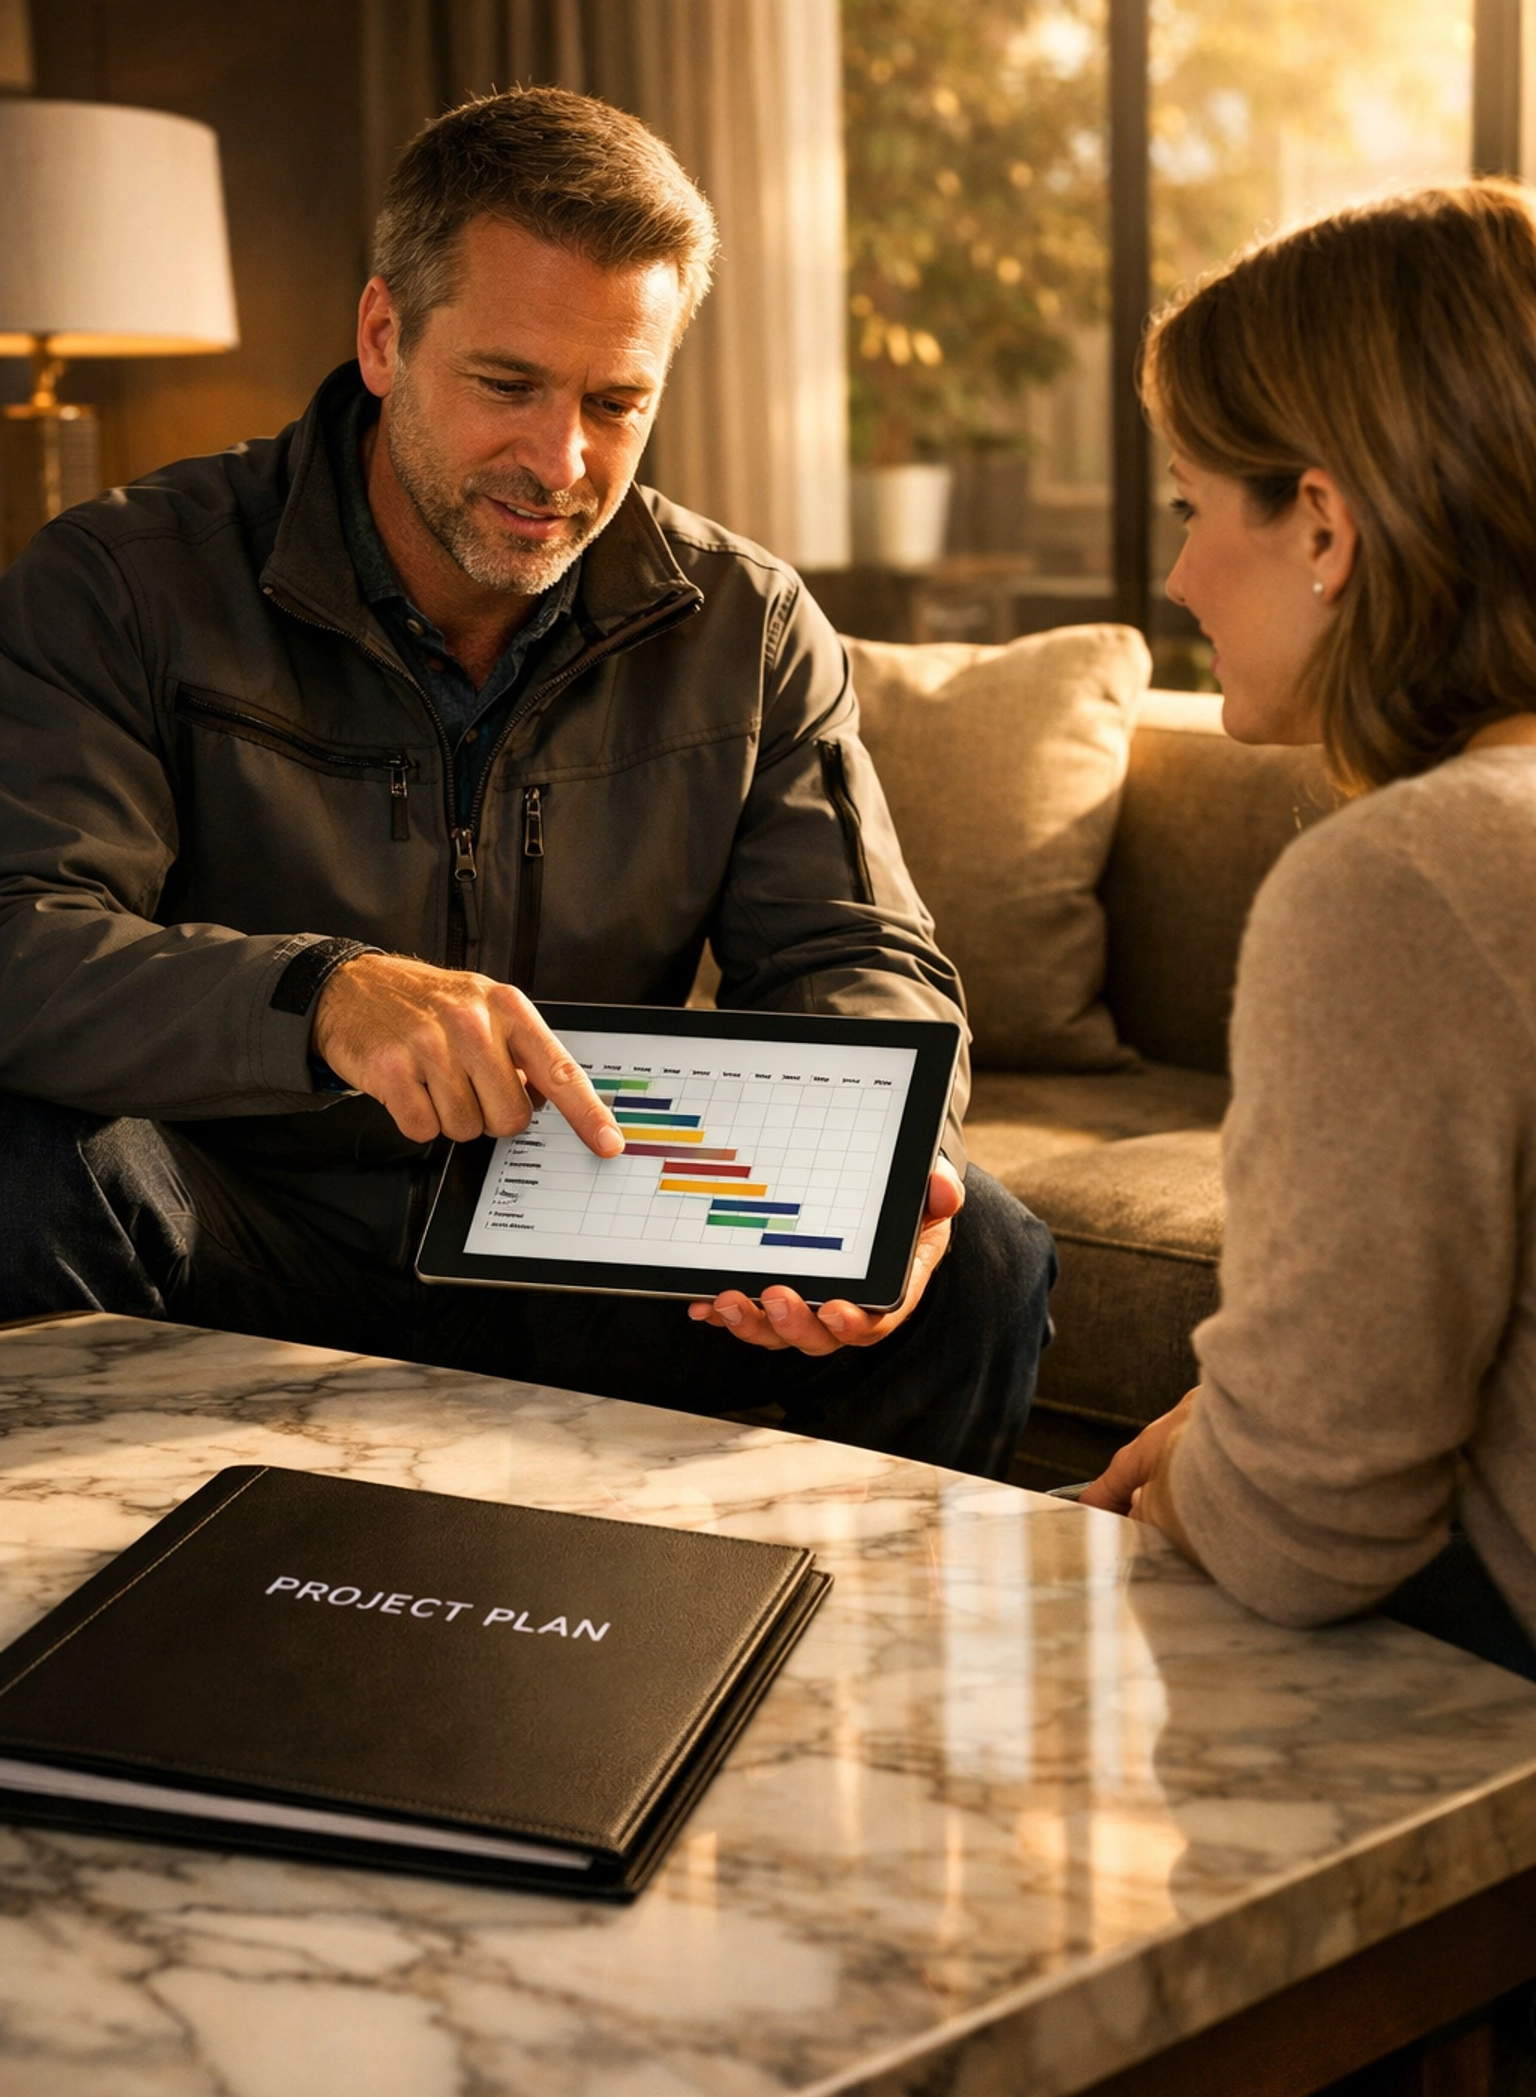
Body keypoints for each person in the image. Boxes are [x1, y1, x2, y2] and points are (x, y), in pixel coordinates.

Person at [0, 87, 1054, 1479]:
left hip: (612, 1243)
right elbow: (26, 936)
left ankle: (817, 1669)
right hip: (256, 1232)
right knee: (25, 1161)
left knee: (974, 1247)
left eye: (616, 403)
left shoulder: (748, 624)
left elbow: (857, 952)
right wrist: (320, 996)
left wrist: (873, 1178)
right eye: (509, 386)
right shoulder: (123, 580)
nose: (560, 464)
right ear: (384, 335)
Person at [1080, 179, 1536, 1677]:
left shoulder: (1407, 879)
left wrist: (1204, 1480)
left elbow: (1305, 1529)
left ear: (1326, 527)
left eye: (1196, 508)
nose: (1178, 579)